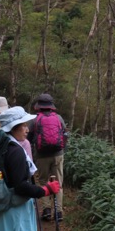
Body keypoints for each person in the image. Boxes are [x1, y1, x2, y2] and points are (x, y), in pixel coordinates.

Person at [28, 93, 67, 222]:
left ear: (39, 106)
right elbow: (65, 134)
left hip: (41, 155)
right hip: (58, 154)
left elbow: (29, 138)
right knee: (58, 183)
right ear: (51, 106)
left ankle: (46, 210)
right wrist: (62, 149)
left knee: (43, 181)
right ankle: (59, 212)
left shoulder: (35, 119)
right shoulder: (59, 118)